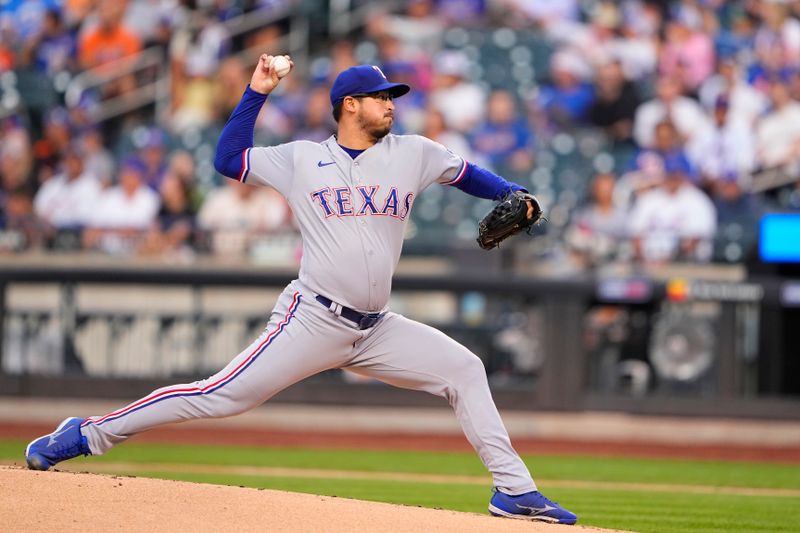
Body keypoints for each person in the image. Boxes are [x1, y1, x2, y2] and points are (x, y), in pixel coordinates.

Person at [24, 57, 577, 525]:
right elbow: (227, 160)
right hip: (311, 319)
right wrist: (257, 91)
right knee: (221, 396)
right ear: (350, 105)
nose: (391, 104)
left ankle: (512, 490)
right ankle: (88, 433)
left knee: (465, 370)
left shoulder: (415, 152)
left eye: (392, 97)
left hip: (376, 326)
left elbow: (471, 175)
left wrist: (516, 193)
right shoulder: (300, 159)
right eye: (380, 97)